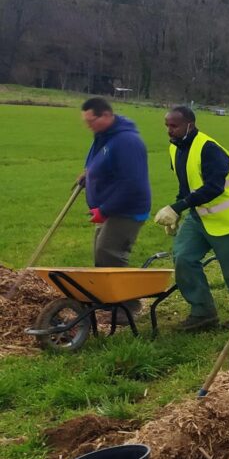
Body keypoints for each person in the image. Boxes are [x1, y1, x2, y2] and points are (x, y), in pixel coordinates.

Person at [153, 106, 229, 330]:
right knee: (183, 257)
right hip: (199, 217)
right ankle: (203, 313)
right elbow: (186, 186)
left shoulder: (209, 149)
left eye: (174, 126)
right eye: (167, 126)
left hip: (227, 218)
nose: (169, 131)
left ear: (189, 124)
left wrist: (177, 206)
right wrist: (178, 212)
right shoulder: (176, 149)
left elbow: (214, 187)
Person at [79, 97, 151, 319]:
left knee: (110, 254)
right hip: (109, 207)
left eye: (92, 120)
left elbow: (132, 183)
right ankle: (110, 303)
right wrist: (88, 173)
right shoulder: (103, 137)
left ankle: (129, 307)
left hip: (127, 209)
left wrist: (105, 209)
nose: (88, 125)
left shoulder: (127, 142)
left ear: (107, 115)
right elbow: (100, 161)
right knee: (101, 255)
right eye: (86, 121)